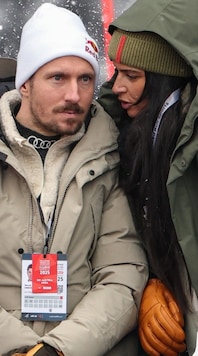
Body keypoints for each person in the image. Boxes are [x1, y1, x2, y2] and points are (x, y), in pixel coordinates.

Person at [0, 3, 149, 355]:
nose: (74, 95)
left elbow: (122, 273)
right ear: (26, 84)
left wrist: (60, 350)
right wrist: (15, 349)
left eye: (85, 79)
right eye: (57, 78)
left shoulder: (111, 157)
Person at [97, 0, 198, 354]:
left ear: (162, 79)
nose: (118, 87)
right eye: (116, 73)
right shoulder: (123, 132)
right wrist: (154, 282)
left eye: (132, 76)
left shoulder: (187, 139)